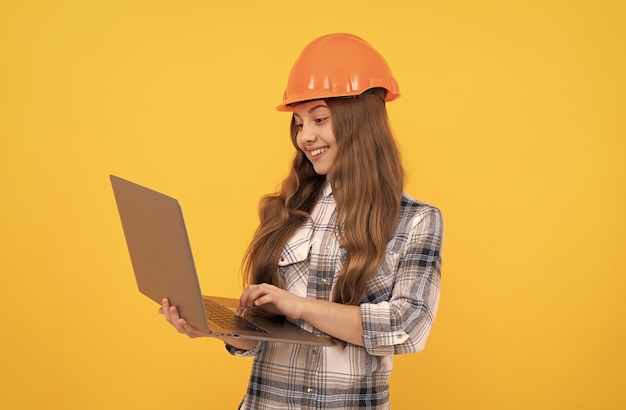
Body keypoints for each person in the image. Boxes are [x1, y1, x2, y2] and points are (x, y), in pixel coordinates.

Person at [160, 33, 443, 409]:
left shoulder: (416, 220)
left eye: (319, 119)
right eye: (298, 123)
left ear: (361, 120)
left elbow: (408, 328)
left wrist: (298, 305)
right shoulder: (286, 210)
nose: (305, 136)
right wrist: (215, 329)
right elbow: (261, 335)